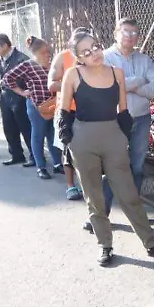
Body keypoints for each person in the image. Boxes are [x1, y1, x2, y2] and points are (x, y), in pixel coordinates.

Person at [57, 28, 154, 266]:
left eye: (96, 46)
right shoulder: (72, 75)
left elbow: (123, 112)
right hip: (83, 140)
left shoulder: (117, 73)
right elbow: (63, 113)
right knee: (94, 196)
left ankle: (151, 244)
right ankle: (105, 245)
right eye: (86, 51)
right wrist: (69, 142)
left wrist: (122, 138)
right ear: (79, 57)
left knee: (128, 193)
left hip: (113, 137)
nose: (94, 53)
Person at [102, 17, 154, 202]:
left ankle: (133, 208)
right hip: (113, 119)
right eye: (125, 32)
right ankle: (102, 212)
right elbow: (106, 86)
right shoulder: (104, 58)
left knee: (137, 165)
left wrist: (127, 85)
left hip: (142, 118)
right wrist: (138, 80)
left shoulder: (145, 59)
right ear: (116, 34)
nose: (130, 36)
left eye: (134, 33)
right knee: (111, 165)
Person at [3, 38, 64, 180]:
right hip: (36, 106)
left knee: (52, 134)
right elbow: (7, 78)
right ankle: (40, 167)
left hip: (53, 104)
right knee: (38, 135)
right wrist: (22, 92)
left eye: (48, 51)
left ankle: (57, 164)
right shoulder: (28, 65)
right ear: (35, 53)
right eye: (44, 52)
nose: (47, 54)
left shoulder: (52, 64)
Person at [0, 34, 34, 167]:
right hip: (5, 97)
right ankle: (16, 155)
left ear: (5, 45)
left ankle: (34, 156)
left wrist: (25, 93)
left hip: (20, 97)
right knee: (9, 128)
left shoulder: (21, 59)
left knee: (26, 127)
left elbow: (30, 78)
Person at [49, 41, 83, 200]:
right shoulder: (63, 57)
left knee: (87, 150)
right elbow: (51, 84)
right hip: (67, 110)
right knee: (67, 149)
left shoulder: (95, 57)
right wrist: (73, 84)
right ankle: (70, 185)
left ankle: (86, 185)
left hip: (89, 111)